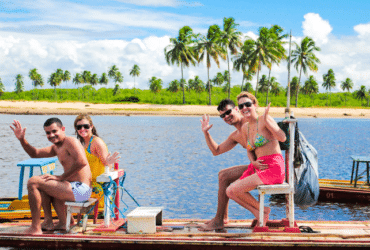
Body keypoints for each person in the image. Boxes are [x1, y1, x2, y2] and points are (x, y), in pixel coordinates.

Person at [10, 118, 92, 235]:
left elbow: (82, 162)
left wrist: (61, 177)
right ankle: (57, 222)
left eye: (54, 131)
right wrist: (22, 140)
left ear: (63, 129)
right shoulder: (56, 147)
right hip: (73, 187)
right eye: (48, 133)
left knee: (33, 181)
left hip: (82, 189)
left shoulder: (71, 141)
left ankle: (36, 227)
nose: (51, 135)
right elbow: (35, 153)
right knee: (43, 182)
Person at [226, 92, 286, 226]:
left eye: (247, 104)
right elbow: (249, 149)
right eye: (241, 106)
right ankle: (260, 212)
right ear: (238, 109)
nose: (244, 108)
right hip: (259, 168)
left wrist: (268, 121)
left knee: (233, 189)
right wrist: (253, 161)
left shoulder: (264, 119)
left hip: (274, 167)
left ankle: (262, 212)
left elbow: (282, 138)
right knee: (230, 191)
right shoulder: (245, 127)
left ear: (255, 105)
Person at [199, 99, 255, 231]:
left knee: (224, 176)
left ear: (236, 109)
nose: (226, 117)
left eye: (228, 112)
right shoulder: (235, 135)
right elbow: (216, 151)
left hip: (265, 166)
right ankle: (223, 217)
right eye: (222, 115)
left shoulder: (250, 123)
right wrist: (206, 133)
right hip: (255, 166)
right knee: (222, 175)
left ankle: (219, 220)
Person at [74, 114, 120, 202]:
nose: (82, 129)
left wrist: (108, 162)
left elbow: (108, 165)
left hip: (96, 187)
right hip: (84, 183)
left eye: (85, 126)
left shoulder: (96, 142)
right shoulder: (80, 142)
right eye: (79, 127)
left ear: (91, 126)